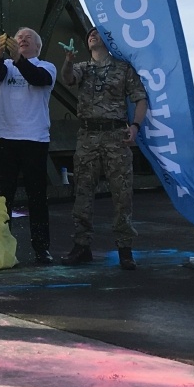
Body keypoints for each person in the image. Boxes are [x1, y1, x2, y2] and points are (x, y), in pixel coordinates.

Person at [60, 27, 149, 270]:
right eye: (88, 33)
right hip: (88, 135)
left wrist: (135, 126)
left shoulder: (123, 69)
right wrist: (67, 62)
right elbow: (67, 78)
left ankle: (125, 248)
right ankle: (81, 246)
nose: (91, 35)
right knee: (83, 193)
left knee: (122, 195)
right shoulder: (82, 68)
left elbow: (140, 98)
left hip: (115, 136)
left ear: (108, 41)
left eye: (96, 33)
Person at [0, 27, 57, 265]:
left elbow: (38, 80)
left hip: (34, 140)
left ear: (38, 46)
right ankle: (0, 247)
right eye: (19, 38)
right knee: (2, 198)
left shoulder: (46, 66)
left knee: (36, 196)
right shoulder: (6, 65)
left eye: (28, 38)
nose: (23, 40)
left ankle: (41, 248)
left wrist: (18, 59)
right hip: (6, 139)